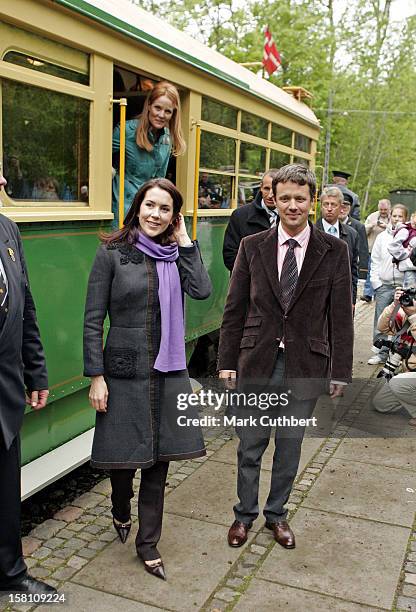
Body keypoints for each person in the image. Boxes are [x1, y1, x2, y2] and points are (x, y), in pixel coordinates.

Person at [218, 164, 353, 549]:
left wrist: (339, 371)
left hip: (306, 366)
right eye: (286, 198)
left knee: (290, 446)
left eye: (301, 198)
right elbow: (235, 309)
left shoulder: (334, 250)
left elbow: (341, 315)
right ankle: (244, 514)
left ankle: (276, 515)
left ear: (312, 202)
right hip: (257, 363)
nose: (293, 205)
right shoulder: (252, 245)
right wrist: (227, 361)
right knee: (250, 444)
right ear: (273, 199)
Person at [83, 178, 211, 581]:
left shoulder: (178, 255)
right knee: (123, 462)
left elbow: (203, 290)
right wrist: (96, 377)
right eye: (150, 206)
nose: (156, 215)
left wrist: (187, 243)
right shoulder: (113, 253)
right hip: (123, 372)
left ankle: (148, 544)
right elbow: (91, 319)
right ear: (138, 206)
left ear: (174, 217)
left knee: (160, 461)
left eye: (165, 209)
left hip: (169, 372)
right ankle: (120, 508)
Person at [0, 172, 56, 596]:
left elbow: (25, 303)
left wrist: (35, 371)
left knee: (5, 489)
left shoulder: (7, 228)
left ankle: (10, 572)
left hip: (6, 389)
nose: (3, 180)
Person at [112, 81, 186, 226]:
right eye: (157, 108)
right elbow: (100, 159)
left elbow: (160, 180)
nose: (161, 115)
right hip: (124, 210)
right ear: (149, 106)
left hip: (151, 213)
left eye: (167, 111)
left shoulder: (167, 138)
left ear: (173, 114)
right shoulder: (126, 130)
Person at [368, 204, 408, 365]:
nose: (397, 219)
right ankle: (381, 352)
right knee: (381, 320)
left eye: (401, 216)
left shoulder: (409, 237)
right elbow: (375, 260)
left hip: (402, 286)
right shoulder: (382, 237)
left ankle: (396, 354)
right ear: (390, 216)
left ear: (405, 218)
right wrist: (376, 283)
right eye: (395, 216)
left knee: (402, 321)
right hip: (384, 285)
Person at [372, 287, 416, 427]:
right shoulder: (410, 311)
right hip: (410, 372)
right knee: (381, 404)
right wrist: (395, 305)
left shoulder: (413, 315)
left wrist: (414, 317)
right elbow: (384, 328)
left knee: (397, 384)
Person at [223, 169, 279, 271]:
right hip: (247, 283)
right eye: (267, 188)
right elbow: (230, 256)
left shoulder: (290, 217)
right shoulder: (240, 216)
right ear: (261, 187)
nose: (271, 195)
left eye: (275, 189)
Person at [315, 186, 359, 308]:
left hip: (341, 294)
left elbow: (353, 270)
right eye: (325, 204)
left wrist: (352, 299)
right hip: (315, 296)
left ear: (340, 207)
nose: (329, 208)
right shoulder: (310, 232)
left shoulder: (352, 234)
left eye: (333, 205)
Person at [362, 199, 391, 302]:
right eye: (381, 209)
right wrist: (372, 225)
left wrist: (387, 226)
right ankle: (368, 294)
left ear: (389, 208)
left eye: (385, 209)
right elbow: (363, 231)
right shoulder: (372, 216)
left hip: (388, 252)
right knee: (371, 271)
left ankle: (380, 294)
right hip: (372, 249)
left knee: (384, 273)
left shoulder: (393, 217)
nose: (383, 211)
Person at [338, 190, 369, 280]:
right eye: (340, 207)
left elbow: (363, 251)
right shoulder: (329, 224)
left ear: (350, 208)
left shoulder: (358, 226)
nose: (342, 210)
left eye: (346, 207)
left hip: (351, 271)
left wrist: (362, 274)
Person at [388, 210, 416, 289]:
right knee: (410, 291)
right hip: (409, 267)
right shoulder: (405, 230)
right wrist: (406, 253)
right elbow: (393, 247)